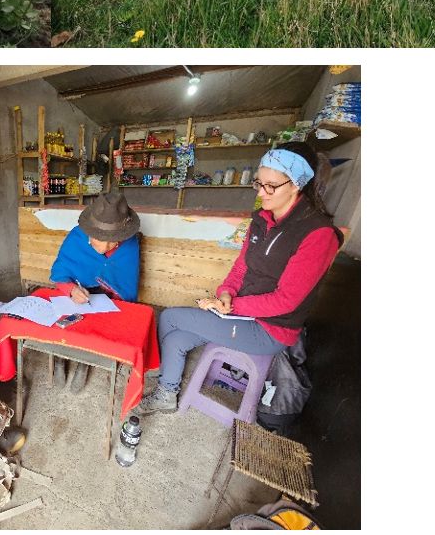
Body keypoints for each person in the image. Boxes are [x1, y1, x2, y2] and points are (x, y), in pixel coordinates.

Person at [134, 143, 342, 417]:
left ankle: (157, 370)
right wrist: (226, 293)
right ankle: (166, 392)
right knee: (176, 340)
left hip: (270, 329)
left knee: (170, 317)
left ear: (297, 185)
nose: (260, 191)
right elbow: (241, 267)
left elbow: (287, 300)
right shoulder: (261, 219)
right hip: (239, 314)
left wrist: (233, 308)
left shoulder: (318, 234)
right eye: (259, 182)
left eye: (271, 186)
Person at [47, 191, 142, 392]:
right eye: (100, 238)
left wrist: (111, 298)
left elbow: (125, 285)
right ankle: (59, 359)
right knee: (63, 321)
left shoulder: (130, 243)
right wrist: (71, 289)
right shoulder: (76, 236)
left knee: (97, 323)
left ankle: (84, 362)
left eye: (113, 240)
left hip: (108, 295)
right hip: (75, 288)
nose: (105, 246)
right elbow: (60, 273)